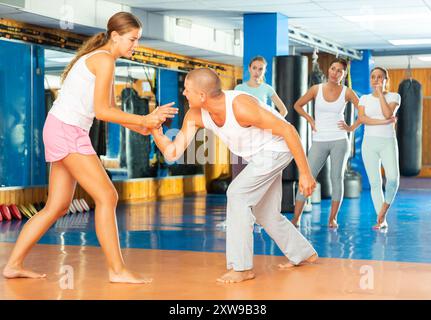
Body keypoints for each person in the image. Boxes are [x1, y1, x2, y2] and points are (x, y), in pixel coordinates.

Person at [2, 12, 178, 284]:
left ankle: (13, 265)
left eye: (138, 40)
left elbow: (112, 111)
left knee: (56, 206)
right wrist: (144, 118)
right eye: (132, 39)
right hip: (68, 131)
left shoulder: (102, 60)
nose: (136, 45)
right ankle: (117, 270)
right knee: (107, 197)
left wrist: (145, 125)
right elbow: (102, 111)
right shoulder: (104, 60)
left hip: (62, 128)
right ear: (115, 36)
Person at [150, 68, 318, 284]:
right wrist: (156, 131)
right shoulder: (195, 115)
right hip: (258, 156)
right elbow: (173, 152)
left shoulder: (240, 106)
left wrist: (305, 173)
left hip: (277, 149)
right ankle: (303, 253)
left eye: (187, 90)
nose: (183, 93)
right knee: (264, 212)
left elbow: (289, 130)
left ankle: (242, 268)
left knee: (237, 194)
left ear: (202, 96)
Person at [292, 59, 360, 228]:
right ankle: (296, 218)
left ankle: (332, 219)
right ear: (328, 69)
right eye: (332, 68)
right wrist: (310, 119)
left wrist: (351, 127)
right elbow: (297, 105)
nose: (334, 72)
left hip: (339, 140)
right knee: (307, 178)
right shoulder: (316, 89)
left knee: (336, 178)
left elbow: (363, 111)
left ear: (344, 75)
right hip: (319, 140)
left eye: (339, 71)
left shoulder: (347, 92)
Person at [229, 56, 289, 182]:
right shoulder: (239, 89)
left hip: (260, 137)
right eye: (254, 68)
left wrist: (270, 124)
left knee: (259, 174)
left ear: (264, 71)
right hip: (241, 136)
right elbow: (232, 110)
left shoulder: (267, 88)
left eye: (260, 69)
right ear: (250, 69)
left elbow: (283, 110)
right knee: (238, 174)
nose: (257, 72)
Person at [358, 67, 400, 229]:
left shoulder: (395, 96)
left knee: (393, 179)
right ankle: (381, 219)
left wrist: (381, 93)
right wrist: (384, 122)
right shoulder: (364, 99)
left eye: (379, 77)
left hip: (387, 142)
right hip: (369, 143)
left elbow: (388, 114)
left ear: (385, 80)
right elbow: (362, 119)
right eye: (373, 77)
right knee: (375, 183)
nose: (376, 80)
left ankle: (383, 211)